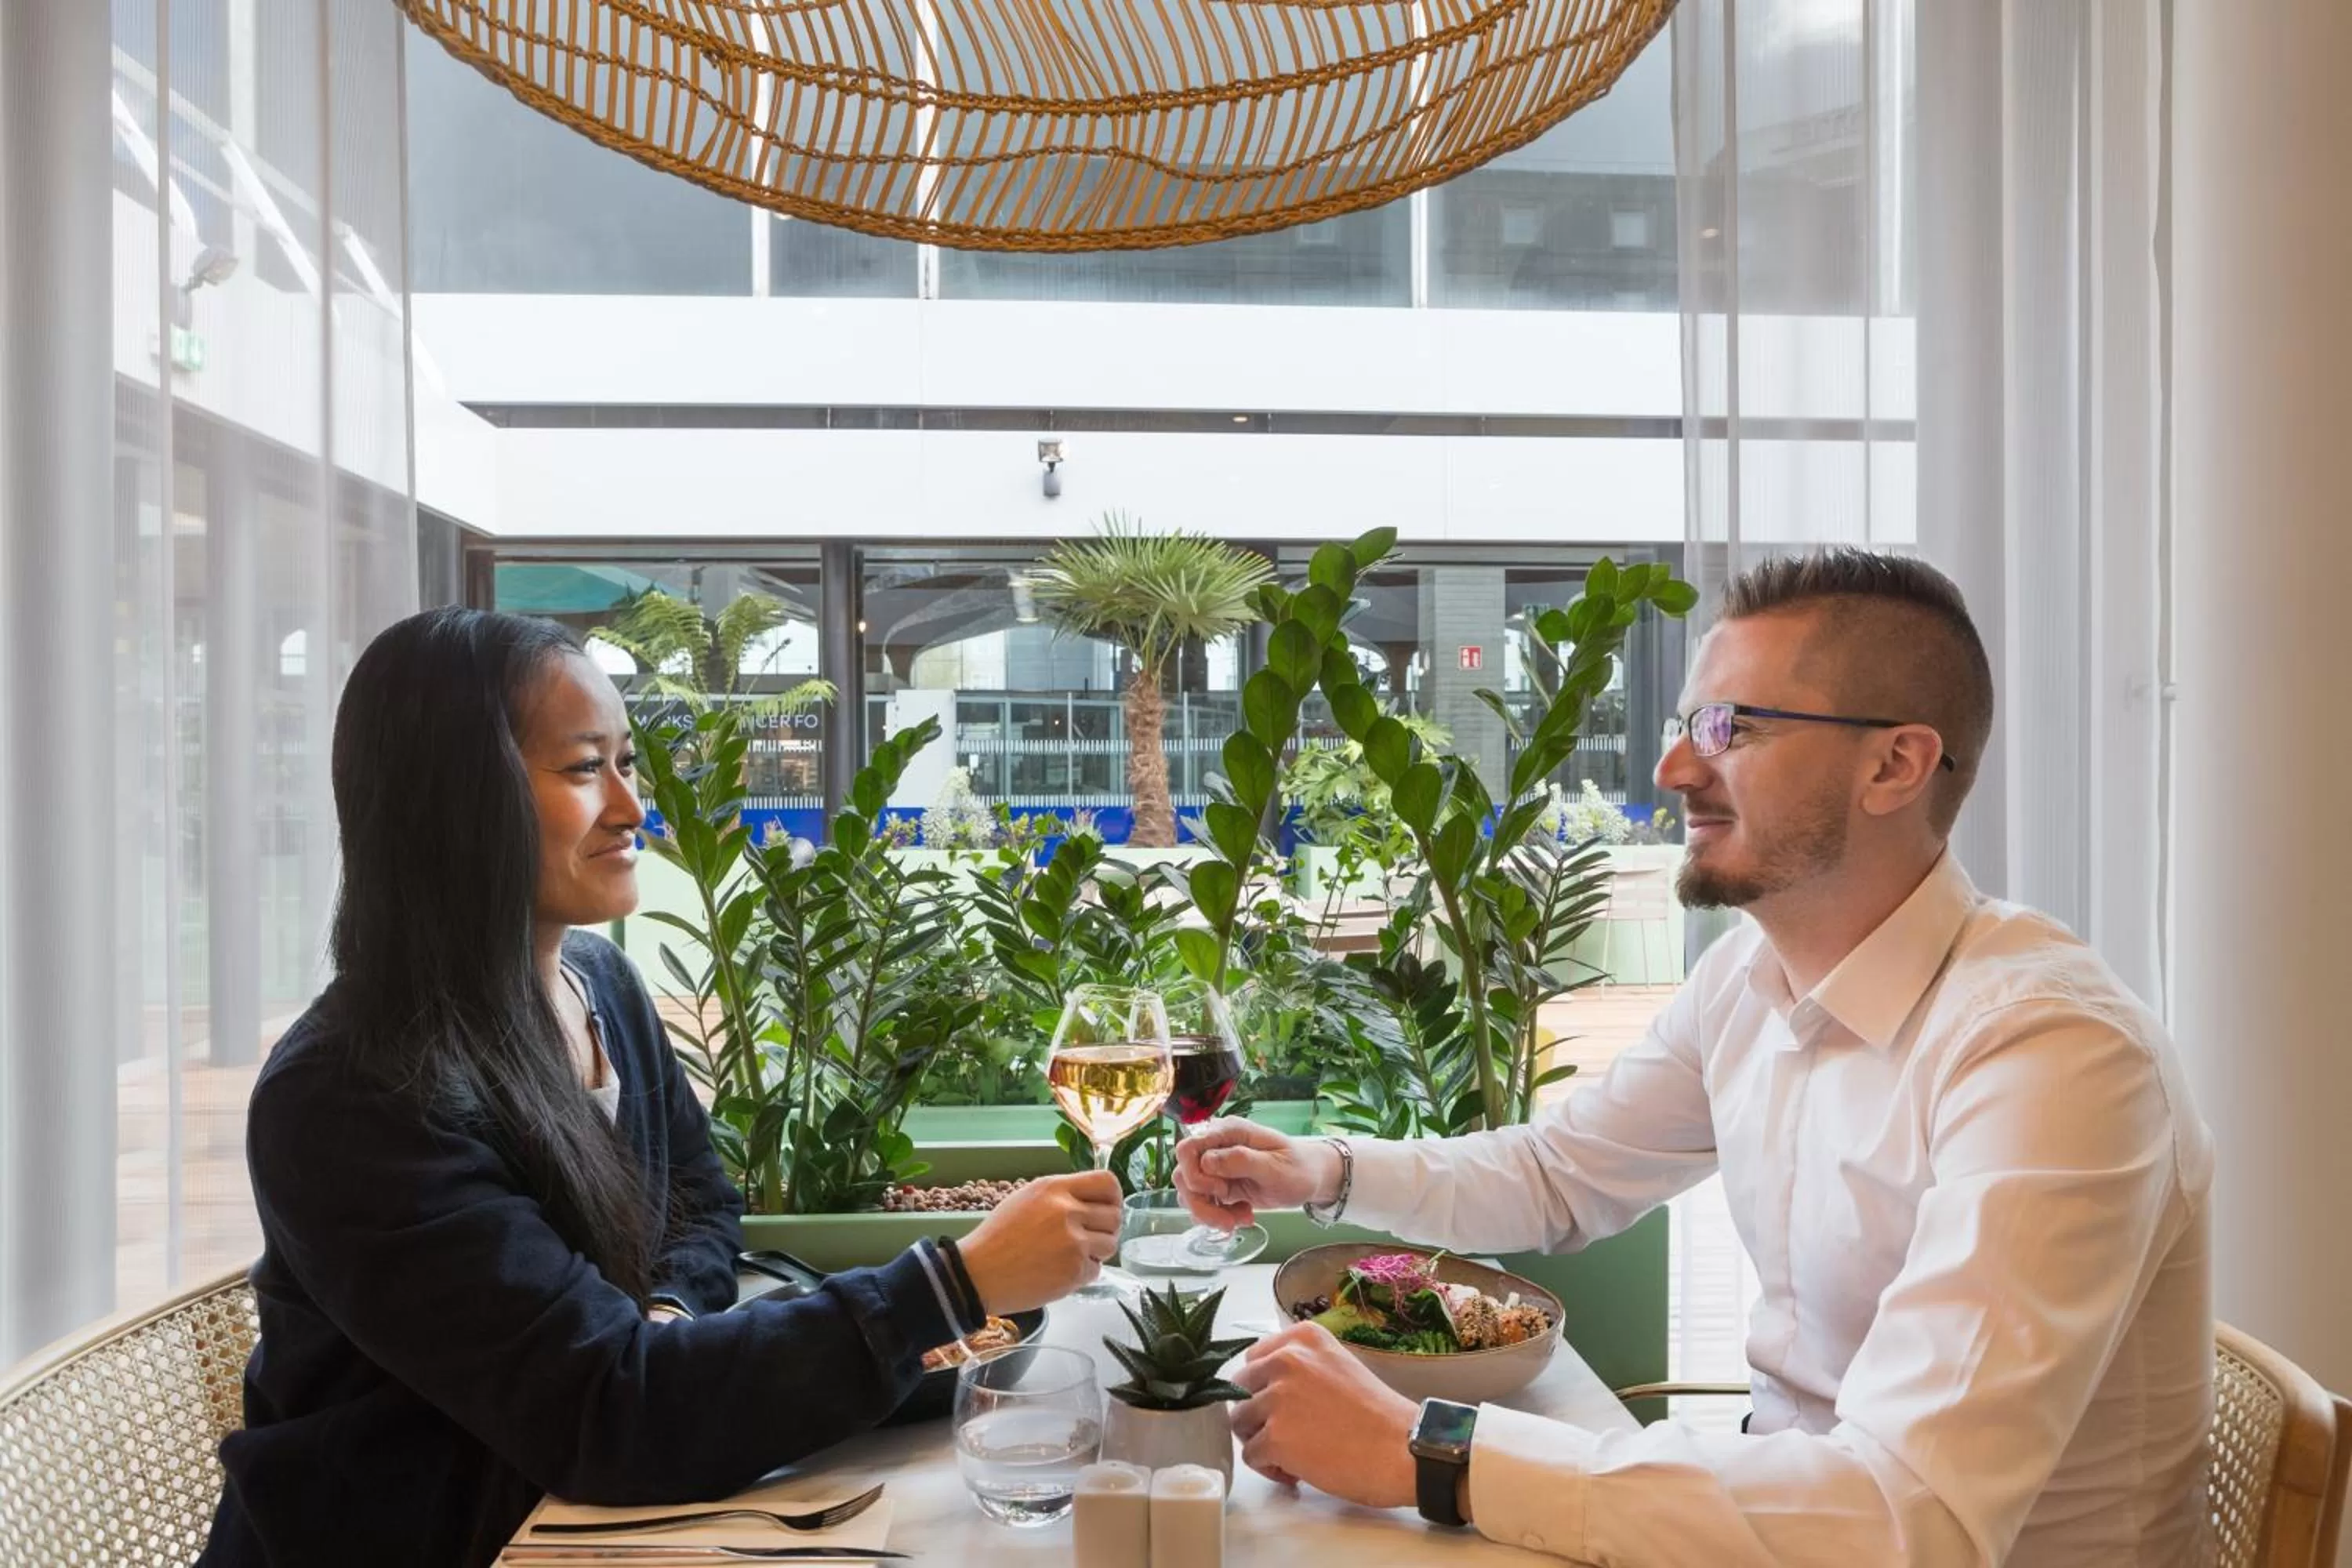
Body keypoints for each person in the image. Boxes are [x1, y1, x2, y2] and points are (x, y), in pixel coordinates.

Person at [1177, 550, 2213, 1566]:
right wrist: (1325, 1171)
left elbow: (1911, 1516)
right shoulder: (1748, 986)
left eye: (1732, 728)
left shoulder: (2052, 1056)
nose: (1673, 769)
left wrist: (1430, 1452)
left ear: (1893, 764)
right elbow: (1561, 1172)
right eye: (1685, 727)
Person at [200, 607, 1123, 1568]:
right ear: (454, 800)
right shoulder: (354, 1096)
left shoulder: (599, 985)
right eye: (581, 767)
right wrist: (959, 1282)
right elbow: (611, 1411)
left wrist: (669, 1314)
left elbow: (699, 1202)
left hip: (585, 1519)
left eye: (625, 762)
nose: (633, 808)